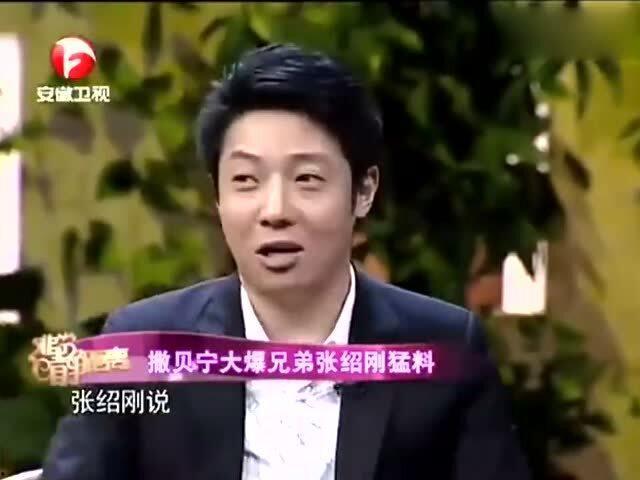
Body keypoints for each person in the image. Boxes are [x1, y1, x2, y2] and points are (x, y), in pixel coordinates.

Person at [42, 43, 531, 480]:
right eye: (246, 181)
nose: (274, 211)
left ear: (363, 191)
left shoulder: (442, 348)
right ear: (217, 196)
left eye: (307, 179)